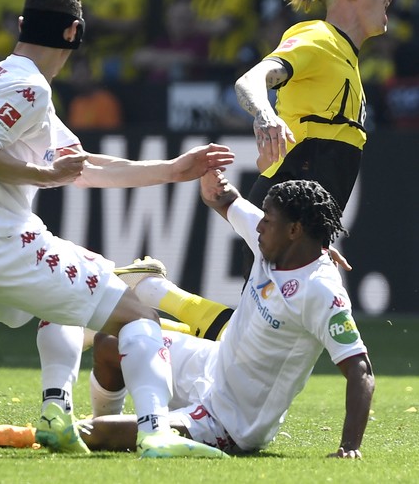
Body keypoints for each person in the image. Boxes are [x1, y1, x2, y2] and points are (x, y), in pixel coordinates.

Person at [0, 0, 235, 459]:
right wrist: (41, 173)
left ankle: (56, 413)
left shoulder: (3, 76)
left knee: (72, 299)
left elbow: (81, 164)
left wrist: (173, 169)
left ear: (23, 26)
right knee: (138, 315)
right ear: (73, 33)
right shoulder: (28, 88)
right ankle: (156, 433)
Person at [81, 175, 375, 459]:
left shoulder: (321, 290)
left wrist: (349, 446)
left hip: (231, 419)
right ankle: (109, 425)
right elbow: (225, 200)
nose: (259, 226)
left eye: (268, 220)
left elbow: (360, 370)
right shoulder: (273, 245)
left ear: (295, 230)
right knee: (110, 343)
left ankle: (97, 432)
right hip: (210, 364)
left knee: (93, 433)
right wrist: (210, 177)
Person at [235, 0, 396, 213]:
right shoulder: (318, 37)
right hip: (282, 221)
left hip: (306, 228)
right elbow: (250, 80)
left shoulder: (348, 58)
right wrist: (265, 114)